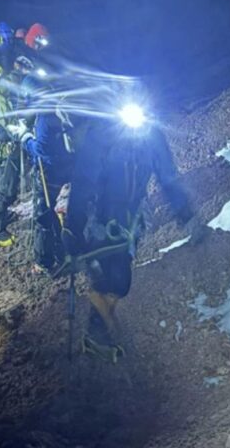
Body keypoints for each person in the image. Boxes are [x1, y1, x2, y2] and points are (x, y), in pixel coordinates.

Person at [61, 107, 201, 362]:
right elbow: (83, 183)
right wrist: (74, 226)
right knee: (111, 277)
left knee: (120, 282)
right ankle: (97, 336)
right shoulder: (100, 136)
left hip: (129, 221)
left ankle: (98, 329)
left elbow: (167, 177)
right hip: (100, 219)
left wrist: (185, 214)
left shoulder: (151, 136)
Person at [0, 53, 35, 247]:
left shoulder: (6, 84)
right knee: (5, 191)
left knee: (3, 186)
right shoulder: (12, 87)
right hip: (6, 146)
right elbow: (13, 118)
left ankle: (1, 216)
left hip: (3, 145)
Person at [20, 101, 73, 272]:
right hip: (69, 170)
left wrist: (25, 139)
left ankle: (44, 261)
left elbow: (42, 150)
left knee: (44, 217)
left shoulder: (45, 115)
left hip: (48, 173)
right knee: (67, 212)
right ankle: (67, 251)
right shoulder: (67, 108)